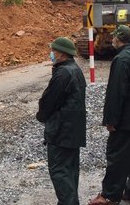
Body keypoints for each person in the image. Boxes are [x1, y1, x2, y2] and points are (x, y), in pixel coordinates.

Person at [89, 25, 130, 205]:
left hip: (125, 119)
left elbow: (116, 92)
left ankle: (109, 195)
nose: (112, 40)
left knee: (117, 157)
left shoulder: (121, 60)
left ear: (118, 38)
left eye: (114, 37)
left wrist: (110, 119)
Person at [36, 37, 87, 205]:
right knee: (71, 169)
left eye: (54, 50)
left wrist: (42, 116)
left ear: (61, 53)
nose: (51, 53)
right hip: (73, 129)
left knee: (59, 170)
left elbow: (49, 100)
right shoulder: (75, 70)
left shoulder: (63, 73)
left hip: (61, 130)